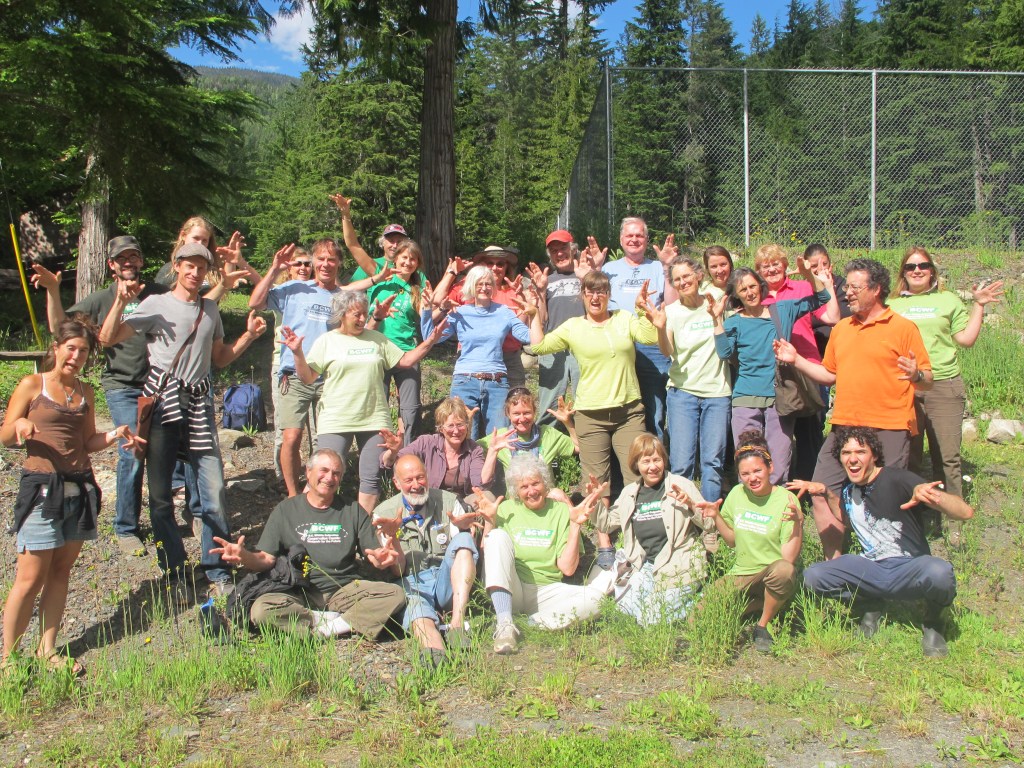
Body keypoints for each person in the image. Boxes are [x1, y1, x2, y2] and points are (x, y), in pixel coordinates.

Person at [99, 241, 267, 598]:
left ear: (207, 273)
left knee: (214, 492)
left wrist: (250, 336)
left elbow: (220, 358)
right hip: (163, 407)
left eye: (201, 268)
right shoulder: (156, 304)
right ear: (176, 266)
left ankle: (217, 569)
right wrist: (118, 299)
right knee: (160, 496)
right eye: (188, 266)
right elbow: (108, 337)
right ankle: (174, 570)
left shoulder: (210, 309)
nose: (194, 273)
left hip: (199, 407)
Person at [2, 316, 140, 675]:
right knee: (30, 577)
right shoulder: (33, 385)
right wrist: (18, 426)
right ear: (57, 349)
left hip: (80, 488)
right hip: (41, 488)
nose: (76, 356)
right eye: (71, 349)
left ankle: (46, 650)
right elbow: (3, 434)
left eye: (83, 351)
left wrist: (113, 436)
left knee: (61, 572)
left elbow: (86, 442)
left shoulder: (85, 392)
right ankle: (8, 656)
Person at [773, 258, 933, 560]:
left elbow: (927, 381)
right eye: (846, 286)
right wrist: (796, 360)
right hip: (844, 426)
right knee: (820, 489)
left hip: (890, 426)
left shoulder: (903, 328)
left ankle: (891, 562)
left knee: (886, 498)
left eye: (855, 287)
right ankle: (835, 564)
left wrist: (916, 375)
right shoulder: (842, 329)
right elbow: (829, 375)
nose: (847, 292)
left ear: (877, 289)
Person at [30, 235, 168, 556]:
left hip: (159, 386)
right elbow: (60, 329)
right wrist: (52, 290)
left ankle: (166, 523)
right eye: (122, 258)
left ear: (141, 261)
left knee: (162, 452)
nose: (129, 262)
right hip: (121, 384)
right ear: (112, 265)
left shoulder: (158, 294)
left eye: (134, 256)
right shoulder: (101, 299)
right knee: (131, 451)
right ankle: (126, 527)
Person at [791, 427, 974, 657]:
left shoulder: (898, 478)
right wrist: (826, 492)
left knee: (941, 572)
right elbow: (848, 518)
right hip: (872, 567)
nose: (853, 458)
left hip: (908, 567)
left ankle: (934, 621)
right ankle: (869, 603)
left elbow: (965, 512)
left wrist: (933, 495)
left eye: (860, 451)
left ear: (874, 455)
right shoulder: (849, 490)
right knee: (812, 577)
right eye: (846, 452)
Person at [529, 269, 659, 565]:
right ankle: (604, 539)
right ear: (583, 295)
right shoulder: (573, 327)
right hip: (590, 414)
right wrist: (533, 315)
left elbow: (650, 337)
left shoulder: (624, 319)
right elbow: (539, 346)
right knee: (597, 481)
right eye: (590, 291)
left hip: (629, 411)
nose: (596, 296)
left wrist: (643, 311)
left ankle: (633, 536)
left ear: (608, 294)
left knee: (634, 477)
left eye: (601, 291)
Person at [210, 449, 406, 640]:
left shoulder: (352, 509)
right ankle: (325, 619)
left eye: (336, 473)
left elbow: (373, 554)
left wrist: (381, 559)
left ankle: (327, 630)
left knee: (395, 594)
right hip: (298, 591)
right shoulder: (286, 510)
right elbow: (266, 559)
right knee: (262, 610)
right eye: (324, 470)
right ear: (308, 472)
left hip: (344, 588)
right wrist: (244, 556)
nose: (329, 478)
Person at [283, 289, 447, 513]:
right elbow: (308, 377)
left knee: (371, 478)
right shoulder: (327, 341)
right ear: (342, 314)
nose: (362, 319)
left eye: (364, 314)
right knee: (323, 474)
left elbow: (406, 361)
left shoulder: (377, 339)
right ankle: (306, 522)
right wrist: (297, 353)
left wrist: (430, 341)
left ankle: (360, 529)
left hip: (374, 419)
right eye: (356, 314)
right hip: (335, 418)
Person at [887, 247, 1003, 515]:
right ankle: (912, 517)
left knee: (947, 457)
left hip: (943, 384)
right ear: (903, 273)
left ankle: (953, 518)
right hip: (904, 387)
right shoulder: (891, 305)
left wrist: (979, 305)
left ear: (932, 271)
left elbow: (966, 339)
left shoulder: (947, 300)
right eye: (911, 266)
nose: (917, 270)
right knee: (908, 454)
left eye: (923, 266)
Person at [710, 261, 833, 484]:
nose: (750, 293)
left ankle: (776, 507)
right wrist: (716, 320)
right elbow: (724, 351)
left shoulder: (783, 310)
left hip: (780, 398)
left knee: (779, 456)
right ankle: (749, 503)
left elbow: (822, 299)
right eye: (743, 290)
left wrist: (808, 276)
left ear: (760, 286)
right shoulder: (735, 321)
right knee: (747, 456)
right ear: (737, 295)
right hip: (746, 397)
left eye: (752, 286)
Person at [477, 454, 613, 654]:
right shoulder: (506, 509)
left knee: (597, 599)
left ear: (545, 483)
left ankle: (528, 625)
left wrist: (575, 525)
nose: (531, 491)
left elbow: (567, 568)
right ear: (516, 490)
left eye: (535, 483)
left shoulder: (560, 511)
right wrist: (490, 522)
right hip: (513, 587)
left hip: (546, 590)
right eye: (524, 487)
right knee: (496, 536)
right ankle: (505, 623)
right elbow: (489, 556)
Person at [249, 239, 342, 497]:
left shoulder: (342, 297)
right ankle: (292, 494)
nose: (325, 264)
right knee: (291, 437)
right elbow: (255, 303)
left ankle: (321, 490)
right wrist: (274, 268)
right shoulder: (293, 288)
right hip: (293, 375)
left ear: (338, 263)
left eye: (331, 259)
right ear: (313, 262)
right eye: (320, 259)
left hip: (328, 377)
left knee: (328, 439)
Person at [698, 432, 803, 653]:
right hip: (742, 573)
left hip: (772, 571)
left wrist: (797, 525)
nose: (752, 478)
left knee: (784, 570)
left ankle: (762, 625)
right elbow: (732, 541)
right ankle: (756, 603)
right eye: (745, 474)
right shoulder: (737, 494)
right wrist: (716, 517)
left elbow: (789, 559)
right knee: (699, 617)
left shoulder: (786, 500)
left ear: (770, 468)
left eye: (757, 471)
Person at [370, 455, 480, 663]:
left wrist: (466, 528)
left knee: (464, 539)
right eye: (408, 480)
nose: (416, 485)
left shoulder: (449, 501)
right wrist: (392, 537)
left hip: (447, 581)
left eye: (420, 478)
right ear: (396, 483)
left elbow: (463, 554)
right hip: (412, 584)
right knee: (420, 617)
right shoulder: (383, 515)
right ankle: (435, 655)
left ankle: (457, 623)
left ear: (427, 476)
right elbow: (398, 571)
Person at [593, 434, 712, 625]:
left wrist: (691, 506)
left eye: (657, 459)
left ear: (664, 460)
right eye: (646, 461)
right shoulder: (630, 492)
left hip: (680, 566)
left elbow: (709, 524)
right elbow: (606, 524)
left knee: (648, 618)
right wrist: (594, 502)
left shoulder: (681, 485)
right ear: (636, 464)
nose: (652, 466)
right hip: (648, 566)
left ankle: (704, 600)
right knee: (623, 611)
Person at [422, 265, 539, 439]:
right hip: (465, 381)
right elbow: (431, 338)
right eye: (479, 284)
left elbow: (530, 338)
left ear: (493, 286)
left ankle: (497, 467)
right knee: (465, 436)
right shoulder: (459, 312)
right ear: (471, 286)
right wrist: (427, 310)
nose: (484, 288)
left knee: (500, 436)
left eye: (488, 283)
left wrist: (534, 313)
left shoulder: (505, 312)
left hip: (496, 382)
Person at [586, 217, 677, 439]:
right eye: (629, 235)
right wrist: (596, 268)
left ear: (646, 240)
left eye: (639, 235)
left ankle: (654, 460)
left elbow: (673, 303)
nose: (634, 239)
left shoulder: (657, 267)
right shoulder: (609, 269)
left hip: (652, 344)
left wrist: (667, 267)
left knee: (654, 406)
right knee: (619, 403)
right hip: (618, 342)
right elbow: (593, 300)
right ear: (621, 239)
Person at [657, 256, 731, 504]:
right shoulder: (671, 312)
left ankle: (709, 520)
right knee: (681, 463)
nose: (682, 282)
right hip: (682, 393)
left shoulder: (715, 302)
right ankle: (681, 522)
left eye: (687, 276)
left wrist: (716, 317)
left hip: (717, 393)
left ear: (699, 275)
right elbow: (667, 351)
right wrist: (660, 327)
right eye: (677, 279)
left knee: (712, 462)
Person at [431, 245, 531, 388]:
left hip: (508, 356)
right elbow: (436, 300)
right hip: (472, 357)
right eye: (490, 262)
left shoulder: (513, 291)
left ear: (506, 267)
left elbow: (520, 332)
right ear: (482, 264)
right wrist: (452, 272)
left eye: (500, 264)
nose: (495, 267)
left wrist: (525, 302)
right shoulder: (468, 287)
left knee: (515, 401)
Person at [365, 238, 431, 443]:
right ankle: (380, 451)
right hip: (379, 351)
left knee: (410, 408)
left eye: (413, 259)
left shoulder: (417, 289)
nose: (408, 262)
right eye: (404, 257)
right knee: (379, 406)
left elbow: (427, 316)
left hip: (407, 352)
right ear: (395, 259)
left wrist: (438, 307)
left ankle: (408, 449)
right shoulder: (378, 284)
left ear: (417, 264)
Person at [524, 229, 587, 425]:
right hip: (554, 346)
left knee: (585, 398)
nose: (559, 254)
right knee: (549, 399)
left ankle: (585, 443)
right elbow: (541, 319)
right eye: (554, 251)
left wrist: (585, 279)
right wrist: (541, 291)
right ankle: (546, 444)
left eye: (563, 248)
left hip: (584, 345)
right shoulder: (547, 280)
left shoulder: (587, 276)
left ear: (573, 249)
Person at [267, 248, 314, 486]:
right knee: (285, 430)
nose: (303, 268)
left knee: (316, 432)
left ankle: (315, 480)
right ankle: (282, 478)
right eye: (298, 264)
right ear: (290, 268)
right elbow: (259, 292)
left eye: (307, 264)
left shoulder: (318, 291)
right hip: (284, 364)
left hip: (314, 367)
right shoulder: (283, 293)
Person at [477, 387, 578, 492]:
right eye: (516, 413)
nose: (522, 419)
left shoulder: (548, 434)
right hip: (516, 502)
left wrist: (567, 422)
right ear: (508, 414)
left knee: (559, 494)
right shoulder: (501, 437)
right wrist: (492, 450)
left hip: (546, 499)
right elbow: (467, 450)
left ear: (534, 412)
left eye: (526, 413)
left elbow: (578, 447)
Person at [379, 398, 485, 497]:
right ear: (440, 428)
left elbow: (479, 484)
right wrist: (393, 452)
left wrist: (493, 452)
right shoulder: (426, 443)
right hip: (427, 500)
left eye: (460, 425)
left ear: (467, 425)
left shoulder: (474, 450)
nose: (456, 431)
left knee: (486, 496)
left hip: (461, 505)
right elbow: (391, 462)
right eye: (450, 426)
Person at [331, 193, 412, 282]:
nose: (395, 245)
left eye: (399, 241)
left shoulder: (412, 268)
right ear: (382, 243)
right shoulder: (372, 266)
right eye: (391, 241)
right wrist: (345, 214)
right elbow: (352, 244)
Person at [803, 244, 851, 357]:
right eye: (814, 266)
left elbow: (842, 318)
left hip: (843, 348)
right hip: (814, 351)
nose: (820, 269)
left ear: (831, 264)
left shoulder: (843, 287)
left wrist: (827, 285)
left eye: (824, 264)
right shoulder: (802, 290)